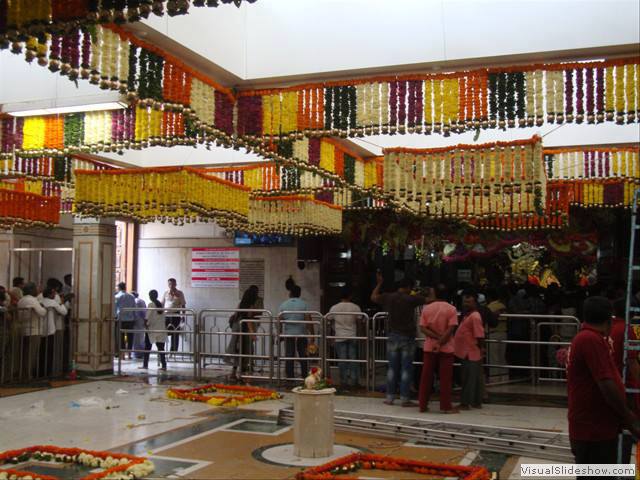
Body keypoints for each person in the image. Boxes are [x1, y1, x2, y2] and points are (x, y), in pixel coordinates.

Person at [567, 296, 640, 468]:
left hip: (597, 426)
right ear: (609, 318)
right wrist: (628, 416)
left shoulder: (590, 338)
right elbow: (606, 384)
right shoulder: (590, 340)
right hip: (594, 430)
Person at [371, 272, 426, 407]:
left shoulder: (389, 297)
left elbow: (373, 297)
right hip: (407, 336)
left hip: (393, 335)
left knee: (392, 368)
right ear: (408, 287)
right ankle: (405, 398)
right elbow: (430, 299)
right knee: (406, 369)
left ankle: (389, 397)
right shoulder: (411, 299)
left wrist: (379, 283)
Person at [607, 298, 640, 464]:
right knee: (629, 425)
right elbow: (632, 362)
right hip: (625, 384)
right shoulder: (626, 330)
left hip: (610, 383)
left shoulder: (607, 328)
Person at [418, 284, 458, 413]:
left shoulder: (427, 308)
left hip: (429, 347)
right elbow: (451, 329)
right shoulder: (452, 309)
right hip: (447, 347)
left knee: (426, 377)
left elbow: (423, 328)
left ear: (434, 293)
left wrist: (435, 339)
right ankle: (446, 406)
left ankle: (422, 405)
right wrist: (441, 341)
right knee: (445, 378)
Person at [454, 291, 485, 410]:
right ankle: (476, 402)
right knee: (474, 377)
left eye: (468, 302)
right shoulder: (468, 315)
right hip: (468, 351)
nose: (466, 304)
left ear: (475, 303)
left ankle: (465, 403)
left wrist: (481, 348)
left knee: (468, 378)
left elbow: (479, 335)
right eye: (464, 302)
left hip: (470, 351)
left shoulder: (475, 316)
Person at [328, 286, 362, 388]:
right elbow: (359, 323)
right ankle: (354, 381)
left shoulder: (334, 308)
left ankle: (343, 382)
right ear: (350, 296)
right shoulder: (355, 307)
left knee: (342, 360)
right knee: (353, 359)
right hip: (352, 336)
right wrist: (360, 335)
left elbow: (328, 320)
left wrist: (331, 336)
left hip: (339, 337)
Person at [279, 285, 313, 380]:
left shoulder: (283, 304)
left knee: (289, 355)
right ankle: (304, 376)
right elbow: (308, 320)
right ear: (299, 294)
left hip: (288, 334)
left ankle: (290, 377)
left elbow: (279, 320)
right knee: (303, 354)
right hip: (302, 333)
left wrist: (280, 333)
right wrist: (312, 334)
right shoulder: (304, 304)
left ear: (290, 293)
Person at [228, 285, 260, 381]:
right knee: (246, 351)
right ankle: (244, 374)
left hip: (237, 329)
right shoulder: (250, 306)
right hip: (245, 330)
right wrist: (252, 333)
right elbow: (248, 320)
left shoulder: (240, 304)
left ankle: (234, 373)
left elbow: (236, 315)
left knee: (237, 350)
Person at [17, 282, 47, 379]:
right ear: (32, 290)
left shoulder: (21, 300)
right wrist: (43, 307)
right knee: (31, 355)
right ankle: (27, 376)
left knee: (24, 354)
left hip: (23, 329)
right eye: (36, 288)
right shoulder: (32, 300)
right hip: (34, 331)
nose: (37, 290)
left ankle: (23, 374)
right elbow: (42, 312)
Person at [39, 286, 67, 376]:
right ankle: (48, 371)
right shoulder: (52, 302)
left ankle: (41, 371)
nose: (55, 295)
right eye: (53, 293)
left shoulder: (40, 301)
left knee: (41, 352)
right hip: (50, 330)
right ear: (50, 294)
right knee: (49, 352)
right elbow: (64, 312)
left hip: (41, 330)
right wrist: (62, 303)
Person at [140, 290, 167, 371]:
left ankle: (145, 365)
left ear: (150, 296)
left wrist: (145, 325)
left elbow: (147, 317)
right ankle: (164, 365)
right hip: (161, 329)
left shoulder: (151, 304)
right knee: (161, 348)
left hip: (152, 330)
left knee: (147, 348)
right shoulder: (160, 305)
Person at [162, 278, 186, 353]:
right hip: (166, 316)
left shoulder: (180, 293)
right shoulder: (165, 293)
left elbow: (183, 305)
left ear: (176, 284)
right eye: (170, 284)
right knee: (164, 332)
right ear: (168, 285)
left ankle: (173, 351)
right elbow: (162, 304)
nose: (171, 285)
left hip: (176, 315)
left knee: (175, 334)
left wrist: (183, 315)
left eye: (173, 284)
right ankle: (162, 351)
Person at [115, 282, 136, 360]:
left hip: (121, 319)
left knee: (121, 337)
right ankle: (129, 354)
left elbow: (115, 309)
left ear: (119, 288)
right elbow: (134, 308)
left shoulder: (117, 296)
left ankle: (122, 355)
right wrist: (135, 318)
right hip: (130, 319)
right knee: (130, 337)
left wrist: (115, 317)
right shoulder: (131, 296)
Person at [132, 292, 147, 359]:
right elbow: (144, 312)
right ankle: (140, 353)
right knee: (141, 337)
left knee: (136, 338)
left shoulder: (136, 301)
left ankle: (137, 353)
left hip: (136, 321)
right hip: (141, 321)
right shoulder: (141, 301)